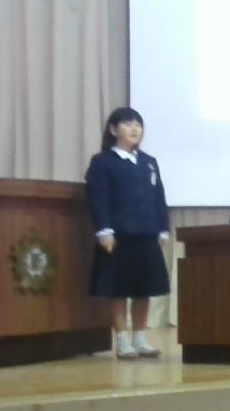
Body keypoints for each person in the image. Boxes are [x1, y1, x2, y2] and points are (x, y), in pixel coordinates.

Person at [85, 107, 171, 359]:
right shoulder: (103, 162)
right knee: (118, 289)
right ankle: (122, 340)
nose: (135, 129)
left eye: (138, 124)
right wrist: (104, 229)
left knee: (143, 289)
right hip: (118, 236)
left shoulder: (149, 162)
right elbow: (98, 198)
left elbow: (159, 198)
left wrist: (163, 228)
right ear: (113, 129)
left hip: (147, 234)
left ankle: (140, 338)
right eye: (128, 124)